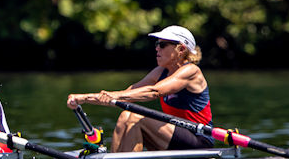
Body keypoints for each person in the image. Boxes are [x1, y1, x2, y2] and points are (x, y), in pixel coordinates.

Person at [66, 25, 212, 152]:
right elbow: (125, 94)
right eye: (157, 44)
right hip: (172, 136)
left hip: (199, 140)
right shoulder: (160, 72)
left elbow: (154, 92)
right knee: (125, 114)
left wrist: (115, 97)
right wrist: (83, 98)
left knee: (136, 117)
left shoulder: (192, 71)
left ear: (181, 49)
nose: (156, 48)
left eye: (162, 45)